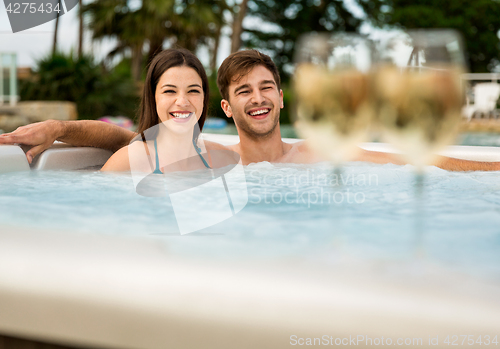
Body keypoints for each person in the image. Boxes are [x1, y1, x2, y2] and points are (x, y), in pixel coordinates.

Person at [0, 49, 499, 171]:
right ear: (227, 106)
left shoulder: (318, 155)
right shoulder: (215, 158)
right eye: (244, 91)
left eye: (267, 88)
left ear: (283, 97)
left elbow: (422, 164)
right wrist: (62, 128)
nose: (257, 98)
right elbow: (134, 147)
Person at [100, 48, 226, 173]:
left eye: (193, 91)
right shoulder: (128, 161)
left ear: (204, 97)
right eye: (170, 91)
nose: (182, 102)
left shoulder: (220, 158)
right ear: (153, 97)